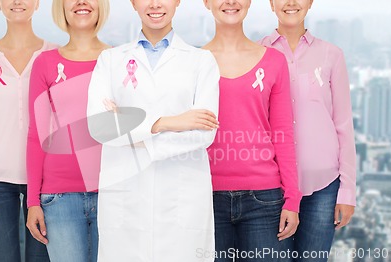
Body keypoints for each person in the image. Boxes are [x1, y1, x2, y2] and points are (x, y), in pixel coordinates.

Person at [86, 0, 220, 261]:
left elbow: (204, 132)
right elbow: (100, 126)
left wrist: (129, 131)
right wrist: (168, 123)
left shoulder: (201, 61)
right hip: (126, 200)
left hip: (181, 201)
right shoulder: (110, 60)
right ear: (134, 3)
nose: (155, 4)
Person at [202, 0, 302, 261]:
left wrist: (292, 199)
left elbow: (283, 134)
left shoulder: (274, 62)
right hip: (204, 197)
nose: (231, 2)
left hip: (265, 201)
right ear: (206, 3)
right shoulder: (194, 63)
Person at [260, 0, 356, 260]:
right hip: (272, 188)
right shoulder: (257, 53)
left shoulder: (331, 55)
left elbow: (343, 125)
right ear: (271, 3)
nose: (290, 3)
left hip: (323, 186)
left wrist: (347, 191)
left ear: (310, 2)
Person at [0, 0, 56, 261]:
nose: (18, 2)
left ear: (37, 4)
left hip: (43, 178)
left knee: (41, 257)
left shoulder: (53, 54)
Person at [25, 0, 110, 261]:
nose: (82, 2)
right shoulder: (45, 63)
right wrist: (32, 202)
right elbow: (35, 134)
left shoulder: (119, 59)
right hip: (58, 198)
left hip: (112, 193)